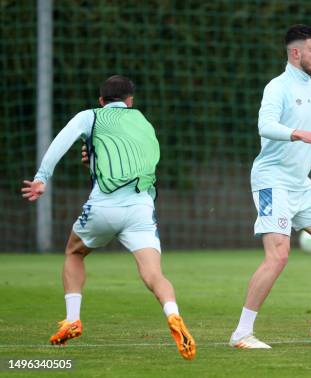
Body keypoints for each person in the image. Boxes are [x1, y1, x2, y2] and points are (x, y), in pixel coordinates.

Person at [22, 75, 196, 359]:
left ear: (101, 101)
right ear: (130, 101)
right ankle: (173, 314)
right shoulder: (142, 121)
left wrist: (42, 178)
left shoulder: (90, 116)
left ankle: (73, 319)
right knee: (154, 274)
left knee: (74, 253)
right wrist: (94, 158)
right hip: (140, 207)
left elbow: (60, 143)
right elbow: (141, 158)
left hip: (104, 205)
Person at [228, 25, 311, 349]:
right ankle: (241, 334)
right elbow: (265, 126)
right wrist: (299, 133)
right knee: (278, 256)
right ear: (296, 52)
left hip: (301, 184)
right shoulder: (277, 87)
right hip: (272, 180)